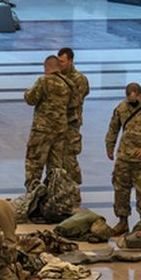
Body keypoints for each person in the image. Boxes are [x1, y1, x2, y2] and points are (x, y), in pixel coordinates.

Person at [104, 83, 141, 235]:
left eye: (134, 98)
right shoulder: (121, 108)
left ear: (140, 95)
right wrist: (109, 147)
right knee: (120, 191)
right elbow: (113, 128)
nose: (131, 101)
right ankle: (122, 222)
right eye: (129, 98)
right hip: (124, 157)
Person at [24, 54, 69, 191]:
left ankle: (33, 196)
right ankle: (55, 197)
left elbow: (30, 99)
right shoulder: (68, 84)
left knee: (34, 163)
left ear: (47, 67)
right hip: (60, 130)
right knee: (56, 166)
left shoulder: (44, 81)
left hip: (42, 130)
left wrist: (27, 92)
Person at [55, 48, 89, 185]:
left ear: (71, 61)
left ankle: (74, 185)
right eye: (58, 61)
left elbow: (74, 101)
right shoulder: (56, 76)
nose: (60, 64)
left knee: (69, 156)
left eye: (62, 62)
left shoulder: (79, 79)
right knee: (57, 157)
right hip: (58, 123)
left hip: (71, 124)